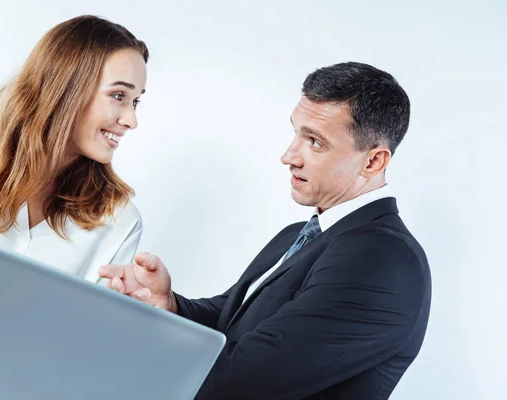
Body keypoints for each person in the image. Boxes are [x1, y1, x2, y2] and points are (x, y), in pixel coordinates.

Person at [99, 62, 431, 399]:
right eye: (297, 134)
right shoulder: (300, 234)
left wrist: (117, 355)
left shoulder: (381, 258)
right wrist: (171, 305)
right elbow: (229, 320)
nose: (289, 156)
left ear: (373, 161)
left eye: (315, 142)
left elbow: (242, 381)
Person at [0, 15, 148, 399]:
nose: (132, 119)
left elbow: (82, 359)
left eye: (136, 101)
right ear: (66, 87)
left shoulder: (118, 220)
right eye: (118, 96)